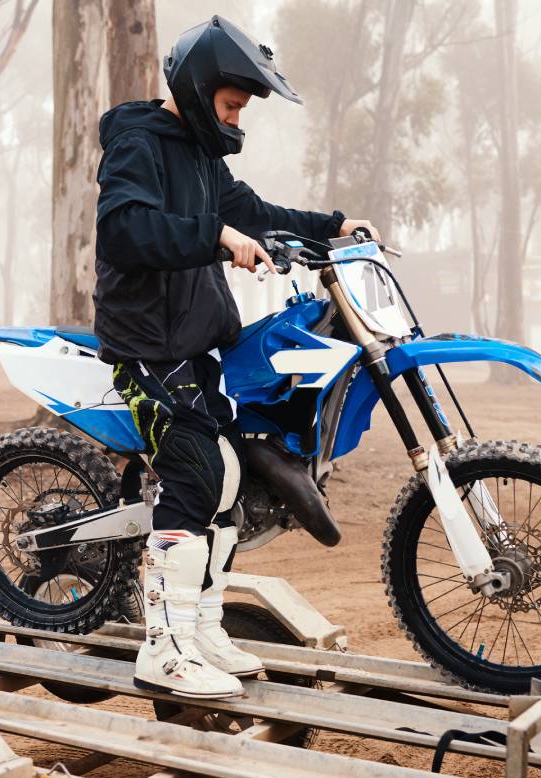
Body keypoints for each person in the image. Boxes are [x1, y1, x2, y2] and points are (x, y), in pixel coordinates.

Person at [92, 15, 379, 699]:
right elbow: (124, 228)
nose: (236, 114)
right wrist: (215, 236)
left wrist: (331, 227)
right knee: (195, 474)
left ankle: (201, 630)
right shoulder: (138, 142)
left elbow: (252, 211)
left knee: (227, 479)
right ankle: (162, 648)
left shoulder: (199, 155)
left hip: (192, 342)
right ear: (197, 88)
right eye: (231, 102)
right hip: (146, 345)